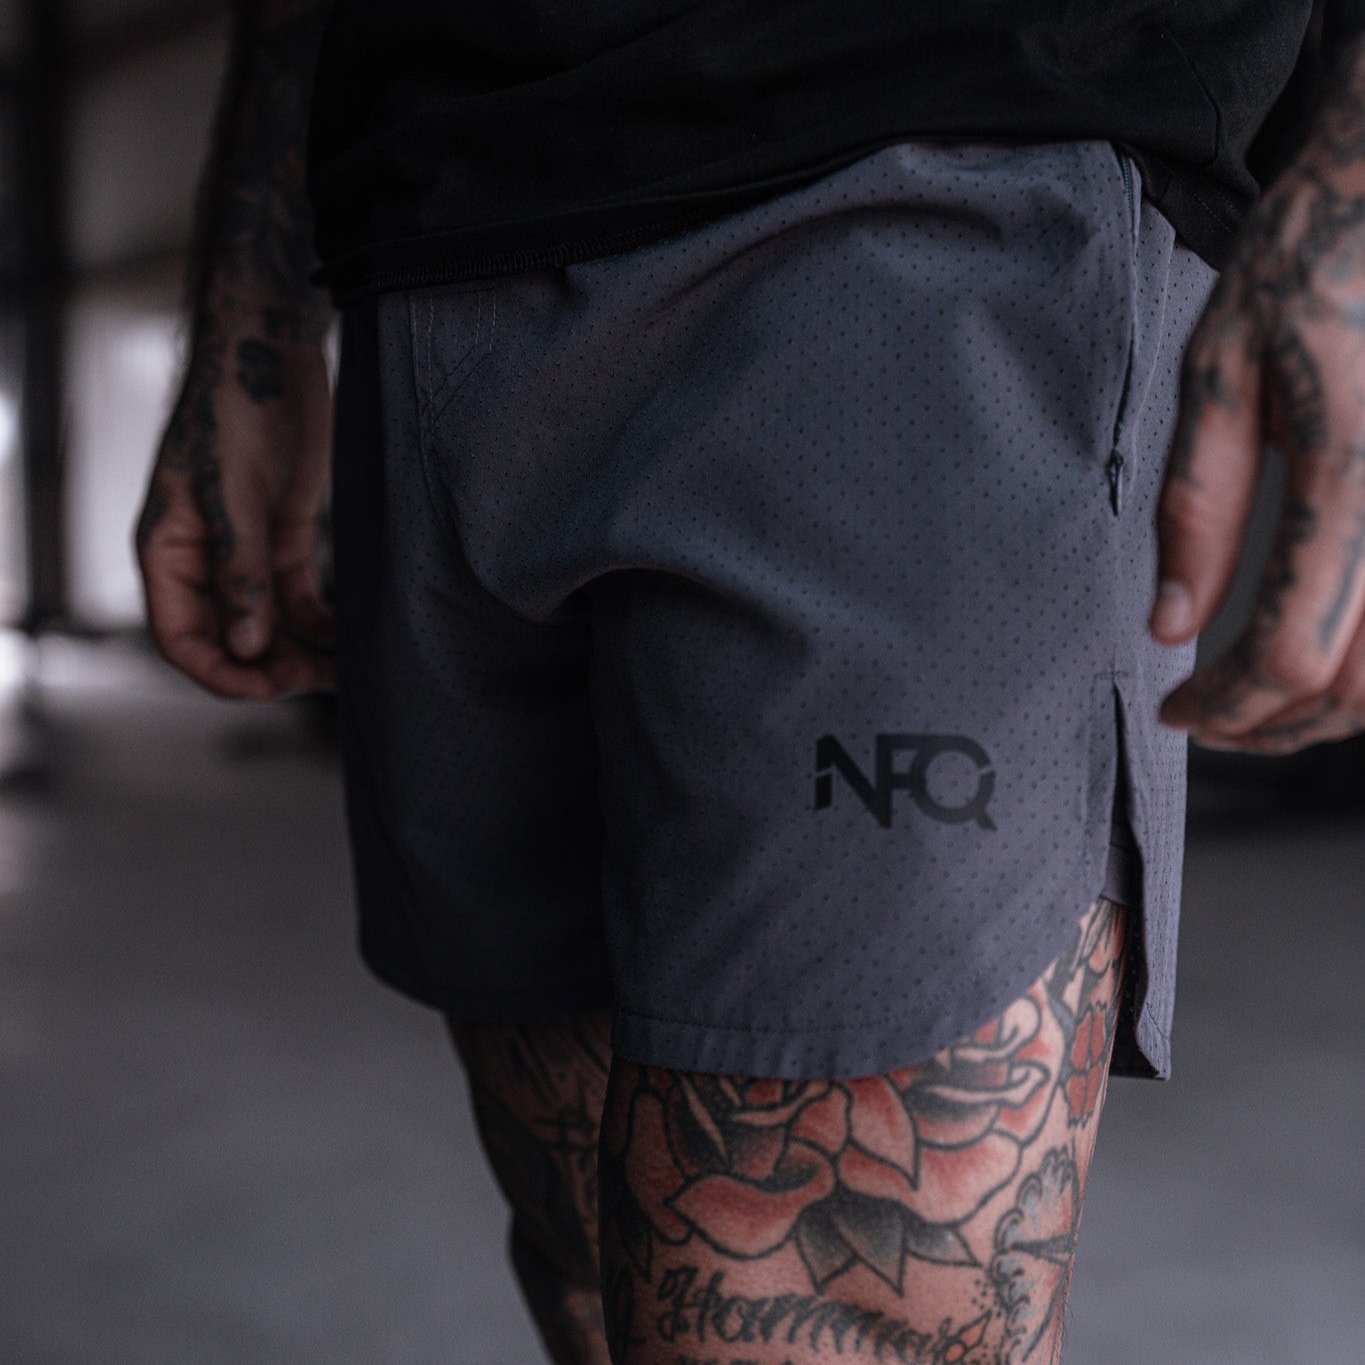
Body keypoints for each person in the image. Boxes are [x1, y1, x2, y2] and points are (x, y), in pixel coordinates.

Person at [134, 2, 1365, 1361]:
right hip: (433, 233)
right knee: (582, 1227)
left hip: (938, 168)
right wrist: (250, 305)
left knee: (809, 1267)